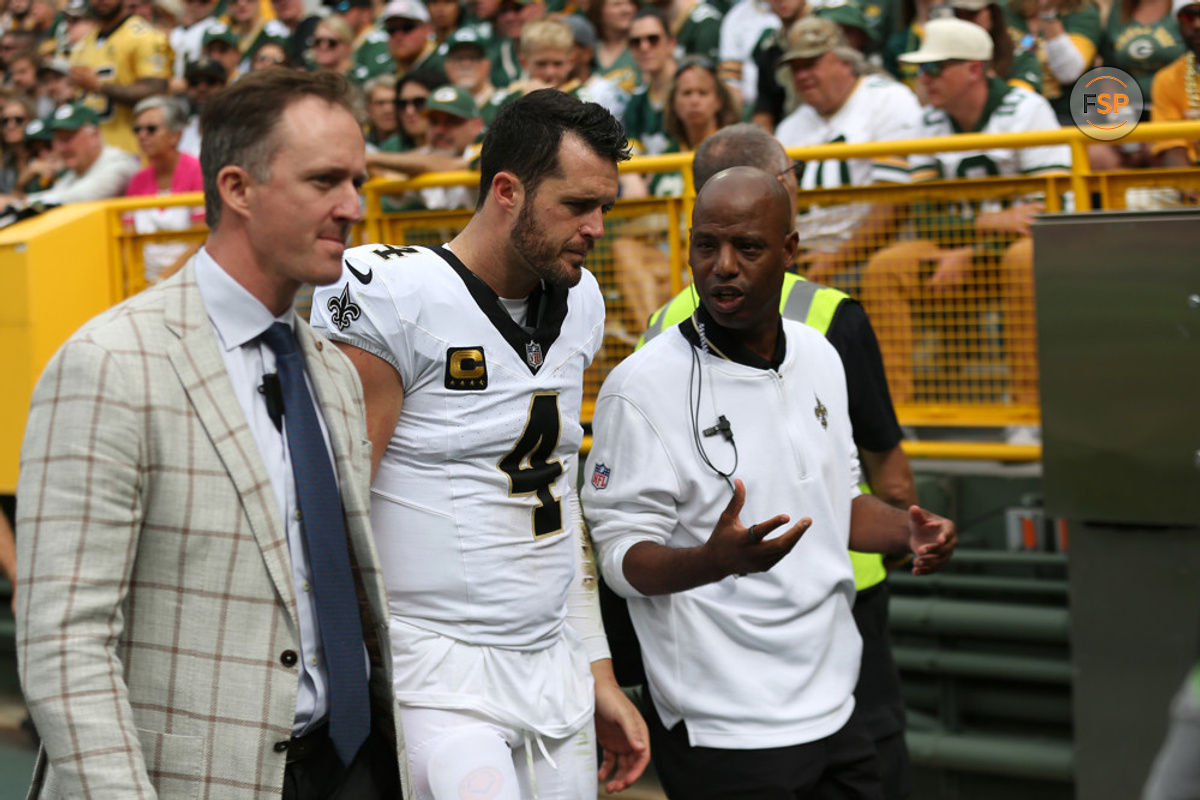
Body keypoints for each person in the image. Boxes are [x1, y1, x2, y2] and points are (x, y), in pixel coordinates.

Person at [15, 68, 403, 800]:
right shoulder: (110, 364)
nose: (353, 206)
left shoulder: (332, 369)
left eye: (358, 180)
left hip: (353, 765)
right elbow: (65, 640)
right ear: (236, 188)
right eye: (326, 181)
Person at [309, 88, 649, 800]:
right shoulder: (394, 294)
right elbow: (338, 511)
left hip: (550, 662)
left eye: (604, 209)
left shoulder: (581, 300)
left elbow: (556, 507)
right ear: (506, 190)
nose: (595, 228)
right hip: (436, 666)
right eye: (577, 205)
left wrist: (599, 672)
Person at [582, 166, 955, 799]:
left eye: (747, 248)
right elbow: (618, 560)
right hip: (725, 727)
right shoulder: (639, 387)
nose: (723, 265)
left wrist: (906, 529)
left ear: (789, 252)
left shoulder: (819, 354)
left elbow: (834, 504)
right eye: (707, 246)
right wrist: (713, 561)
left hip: (837, 705)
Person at [862, 17, 1069, 413]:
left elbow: (1046, 216)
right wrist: (987, 224)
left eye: (934, 68)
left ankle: (1026, 411)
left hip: (1019, 256)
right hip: (953, 253)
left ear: (974, 69)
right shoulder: (927, 121)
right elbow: (924, 218)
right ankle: (894, 416)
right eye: (920, 70)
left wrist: (975, 251)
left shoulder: (1027, 110)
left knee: (1023, 257)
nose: (924, 79)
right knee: (886, 268)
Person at [774, 16, 919, 286]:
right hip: (803, 261)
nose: (802, 75)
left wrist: (838, 259)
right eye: (795, 68)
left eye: (811, 63)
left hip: (870, 257)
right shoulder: (790, 127)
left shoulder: (887, 99)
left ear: (845, 61)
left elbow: (894, 200)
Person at [66, 0, 171, 155]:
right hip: (93, 153)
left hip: (131, 149)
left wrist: (100, 87)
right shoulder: (82, 46)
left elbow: (157, 90)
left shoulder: (145, 37)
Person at [123, 95, 203, 284]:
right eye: (137, 130)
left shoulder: (196, 171)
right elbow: (127, 241)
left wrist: (164, 279)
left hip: (190, 280)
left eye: (151, 129)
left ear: (176, 135)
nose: (142, 135)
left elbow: (202, 238)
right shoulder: (137, 181)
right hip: (144, 283)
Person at [9, 102, 139, 206]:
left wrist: (19, 203)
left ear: (93, 136)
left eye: (67, 139)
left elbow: (78, 197)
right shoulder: (74, 173)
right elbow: (57, 194)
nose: (61, 148)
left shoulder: (119, 164)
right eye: (57, 140)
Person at [1150, 0, 1200, 167]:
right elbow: (1172, 148)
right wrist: (1189, 190)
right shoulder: (1167, 79)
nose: (1197, 24)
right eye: (1188, 17)